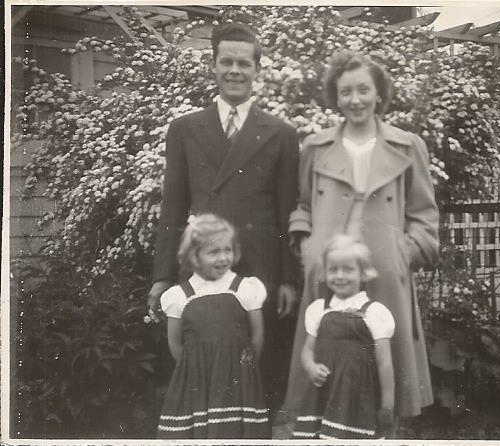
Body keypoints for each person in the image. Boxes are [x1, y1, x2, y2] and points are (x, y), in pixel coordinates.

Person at [146, 22, 299, 412]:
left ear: (256, 69)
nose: (235, 70)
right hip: (203, 267)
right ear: (212, 66)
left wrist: (287, 278)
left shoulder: (280, 133)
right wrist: (164, 275)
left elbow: (287, 212)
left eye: (243, 63)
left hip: (259, 268)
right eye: (226, 61)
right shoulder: (184, 129)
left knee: (258, 376)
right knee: (202, 375)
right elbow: (173, 206)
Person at [284, 50, 440, 427]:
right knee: (323, 369)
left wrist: (403, 252)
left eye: (363, 90)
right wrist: (307, 246)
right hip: (329, 274)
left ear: (379, 93)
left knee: (385, 369)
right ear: (335, 97)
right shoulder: (315, 147)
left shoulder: (407, 145)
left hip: (382, 274)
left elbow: (425, 216)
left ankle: (384, 430)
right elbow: (302, 205)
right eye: (345, 92)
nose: (355, 100)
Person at [157, 214, 268, 438]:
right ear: (194, 256)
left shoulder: (244, 288)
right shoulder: (180, 296)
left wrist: (244, 366)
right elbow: (175, 343)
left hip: (238, 379)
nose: (223, 258)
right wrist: (195, 367)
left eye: (227, 250)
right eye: (213, 252)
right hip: (198, 379)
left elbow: (257, 335)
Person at [292, 234, 395, 439]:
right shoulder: (319, 309)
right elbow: (307, 350)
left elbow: (384, 363)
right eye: (333, 269)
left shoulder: (374, 312)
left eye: (348, 269)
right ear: (325, 273)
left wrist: (387, 405)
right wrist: (311, 367)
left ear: (363, 274)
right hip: (324, 391)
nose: (340, 276)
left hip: (357, 394)